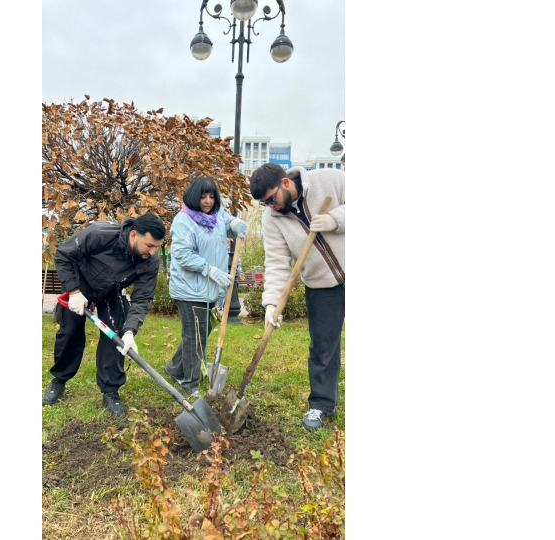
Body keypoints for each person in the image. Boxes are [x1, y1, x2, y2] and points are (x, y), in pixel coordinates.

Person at [248, 163, 345, 431]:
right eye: (264, 204)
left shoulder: (330, 180)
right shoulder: (273, 219)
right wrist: (271, 303)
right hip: (321, 286)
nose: (271, 207)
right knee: (322, 348)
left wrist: (335, 220)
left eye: (271, 199)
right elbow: (277, 262)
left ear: (286, 184)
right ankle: (322, 404)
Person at [43, 213, 166, 416]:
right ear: (134, 235)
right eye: (149, 245)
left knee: (115, 338)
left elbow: (142, 298)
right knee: (70, 334)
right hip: (79, 285)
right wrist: (74, 291)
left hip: (111, 292)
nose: (153, 252)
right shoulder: (100, 234)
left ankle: (110, 390)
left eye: (156, 247)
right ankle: (59, 380)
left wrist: (130, 331)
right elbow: (64, 255)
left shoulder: (149, 261)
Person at [165, 177, 248, 396]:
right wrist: (209, 270)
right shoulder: (183, 221)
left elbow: (227, 221)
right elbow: (182, 254)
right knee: (196, 337)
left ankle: (175, 368)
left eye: (212, 196)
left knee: (201, 331)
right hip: (190, 289)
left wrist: (235, 224)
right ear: (194, 196)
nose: (208, 201)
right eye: (203, 196)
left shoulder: (216, 216)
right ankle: (189, 384)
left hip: (210, 289)